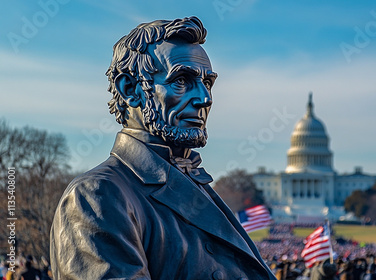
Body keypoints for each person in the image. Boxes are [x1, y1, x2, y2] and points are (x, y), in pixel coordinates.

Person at [50, 16, 276, 280]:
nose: (205, 98)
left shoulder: (194, 184)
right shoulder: (96, 196)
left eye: (208, 82)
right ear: (131, 89)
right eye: (182, 80)